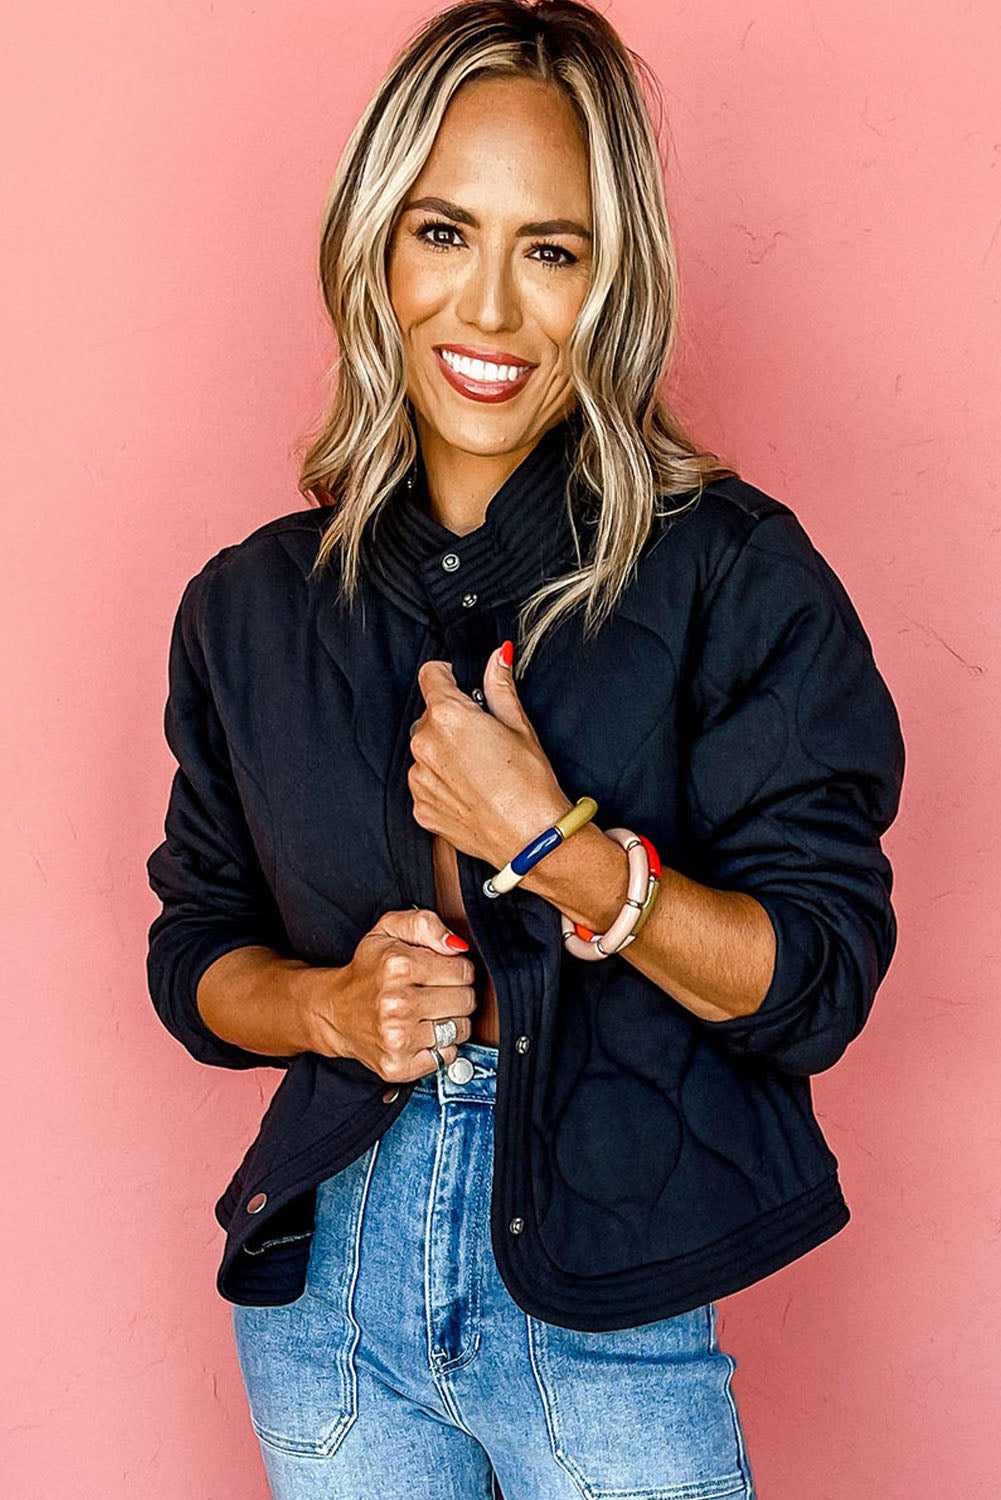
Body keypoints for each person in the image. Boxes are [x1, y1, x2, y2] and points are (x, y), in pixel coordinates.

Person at [144, 2, 906, 1496]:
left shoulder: (731, 574)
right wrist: (329, 1008)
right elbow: (197, 947)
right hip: (328, 1302)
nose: (488, 307)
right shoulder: (247, 607)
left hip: (610, 1306)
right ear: (375, 246)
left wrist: (556, 850)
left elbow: (816, 982)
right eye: (444, 232)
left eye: (549, 250)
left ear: (610, 282)